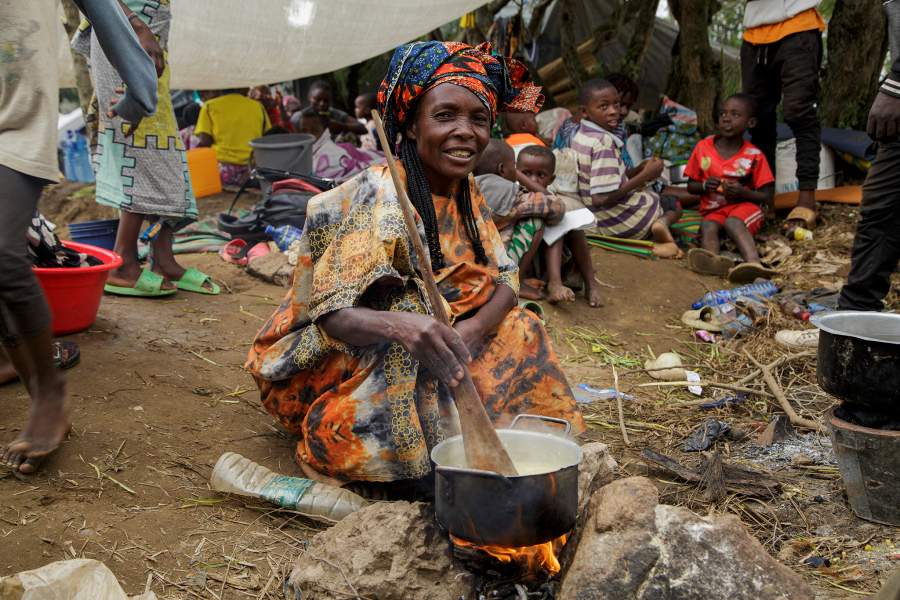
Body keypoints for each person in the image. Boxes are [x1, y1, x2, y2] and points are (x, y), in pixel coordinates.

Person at [246, 41, 583, 489]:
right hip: (331, 359)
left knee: (521, 327)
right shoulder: (384, 196)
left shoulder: (466, 192)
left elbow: (506, 278)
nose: (465, 131)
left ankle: (512, 445)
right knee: (415, 327)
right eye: (445, 116)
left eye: (478, 119)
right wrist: (405, 327)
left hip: (440, 339)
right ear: (409, 125)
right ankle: (338, 457)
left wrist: (474, 330)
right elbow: (335, 316)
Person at [0, 0, 157, 474]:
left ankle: (49, 392)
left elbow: (103, 9)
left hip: (17, 121)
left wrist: (139, 89)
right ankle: (17, 361)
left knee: (2, 255)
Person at [78, 0, 218, 297]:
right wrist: (134, 24)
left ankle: (163, 258)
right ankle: (123, 262)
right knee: (139, 140)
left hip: (147, 30)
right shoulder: (131, 26)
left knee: (161, 142)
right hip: (123, 29)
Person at [741, 0, 825, 234]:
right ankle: (765, 199)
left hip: (798, 26)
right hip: (754, 34)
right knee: (758, 118)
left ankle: (807, 199)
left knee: (799, 112)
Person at [572, 79, 681, 259]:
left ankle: (658, 229)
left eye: (617, 104)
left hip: (600, 218)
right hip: (620, 221)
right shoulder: (603, 143)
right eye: (604, 107)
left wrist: (638, 169)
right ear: (585, 111)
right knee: (672, 203)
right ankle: (662, 230)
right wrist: (646, 175)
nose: (614, 111)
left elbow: (608, 179)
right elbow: (601, 198)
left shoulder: (581, 136)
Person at [684, 94, 776, 283]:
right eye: (723, 113)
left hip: (745, 207)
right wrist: (703, 185)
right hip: (714, 210)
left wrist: (743, 193)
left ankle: (755, 266)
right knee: (708, 225)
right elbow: (690, 187)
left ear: (750, 122)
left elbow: (767, 196)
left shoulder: (754, 155)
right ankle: (714, 262)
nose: (726, 118)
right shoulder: (703, 147)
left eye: (735, 114)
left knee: (733, 223)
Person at [474, 140, 564, 300]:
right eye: (514, 167)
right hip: (494, 267)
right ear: (502, 169)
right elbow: (557, 208)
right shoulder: (511, 191)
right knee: (536, 220)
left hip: (466, 262)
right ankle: (516, 282)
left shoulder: (468, 184)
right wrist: (520, 178)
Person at [194, 89, 271, 187]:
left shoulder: (209, 106)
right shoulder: (258, 106)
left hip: (222, 171)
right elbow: (268, 140)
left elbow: (205, 141)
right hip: (252, 170)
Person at [296, 80, 368, 140]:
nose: (322, 104)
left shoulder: (335, 114)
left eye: (326, 100)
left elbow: (363, 128)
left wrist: (342, 127)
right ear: (309, 98)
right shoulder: (299, 117)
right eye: (317, 99)